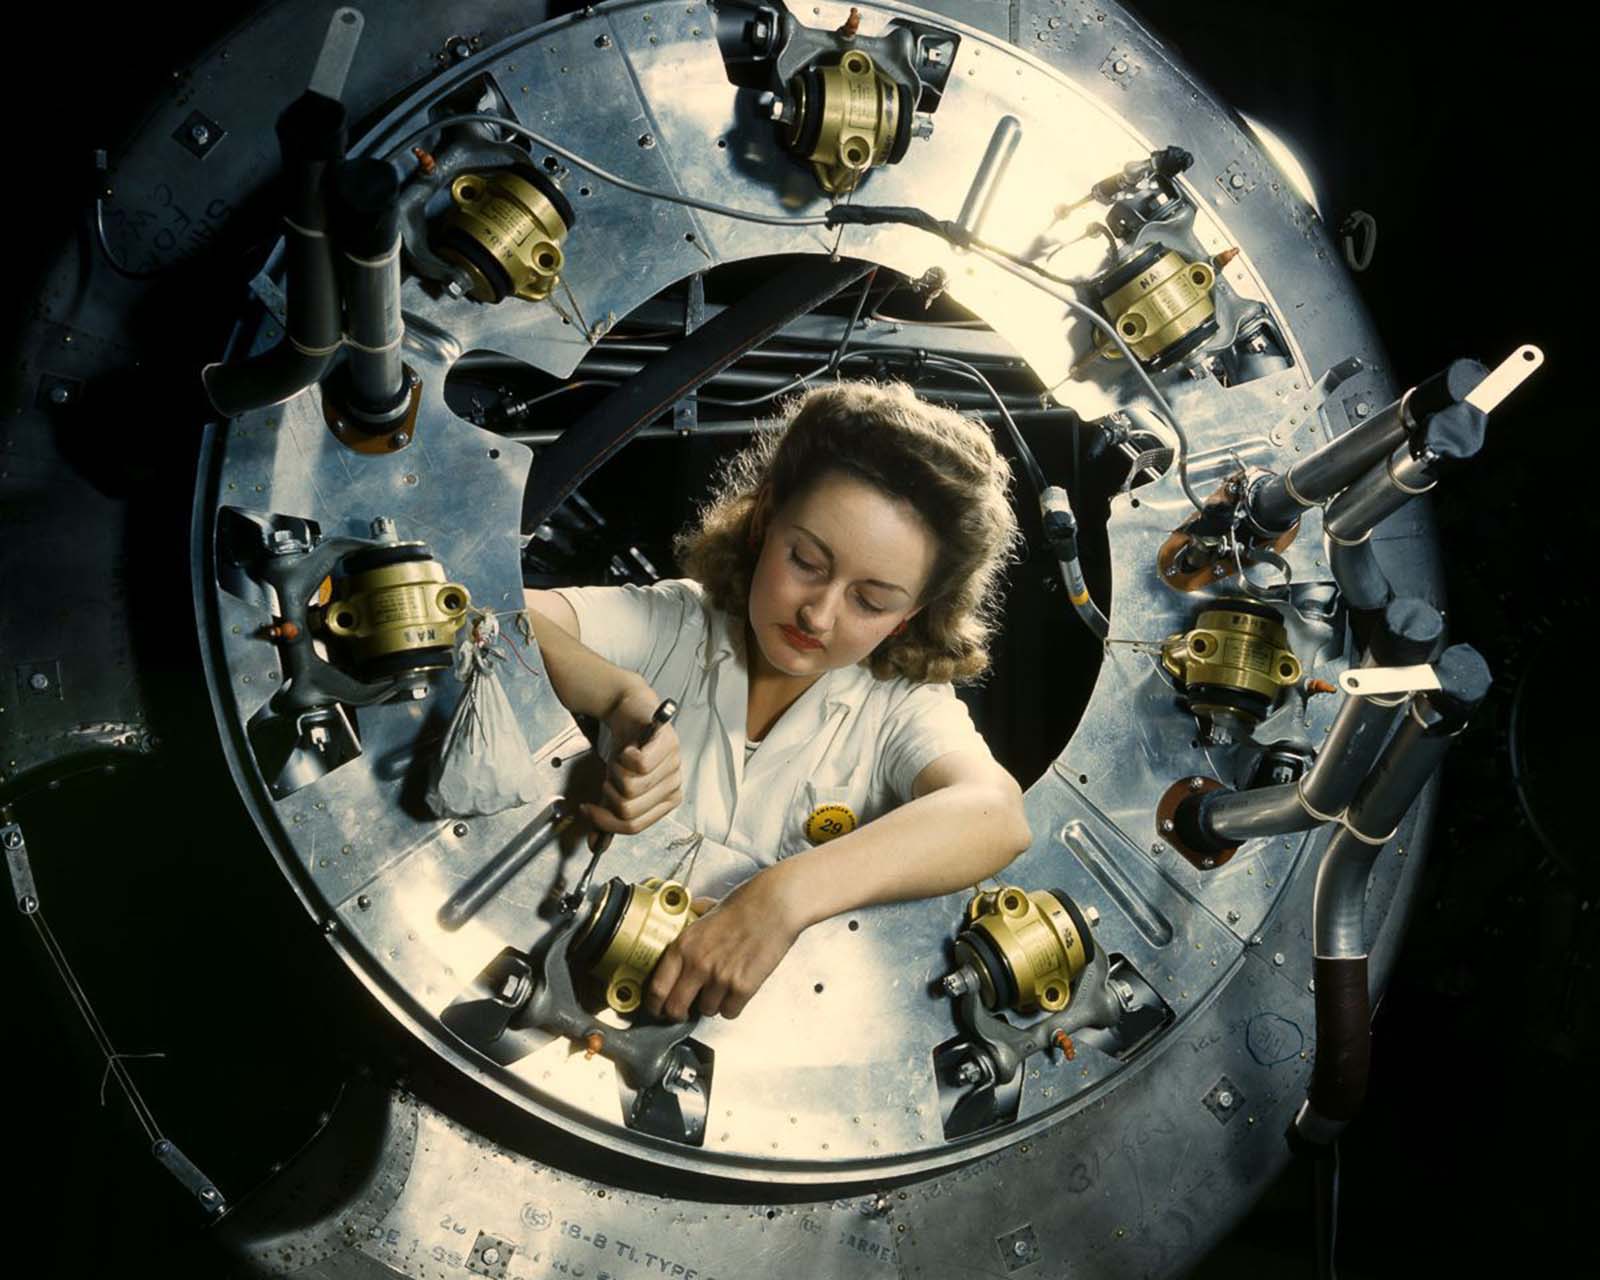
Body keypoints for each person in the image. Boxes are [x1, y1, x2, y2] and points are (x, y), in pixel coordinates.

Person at [523, 379, 1031, 1023]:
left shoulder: (904, 706)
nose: (819, 614)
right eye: (807, 561)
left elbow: (995, 814)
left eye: (870, 602)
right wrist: (623, 695)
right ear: (764, 521)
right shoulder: (677, 623)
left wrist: (782, 898)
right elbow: (496, 617)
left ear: (909, 617)